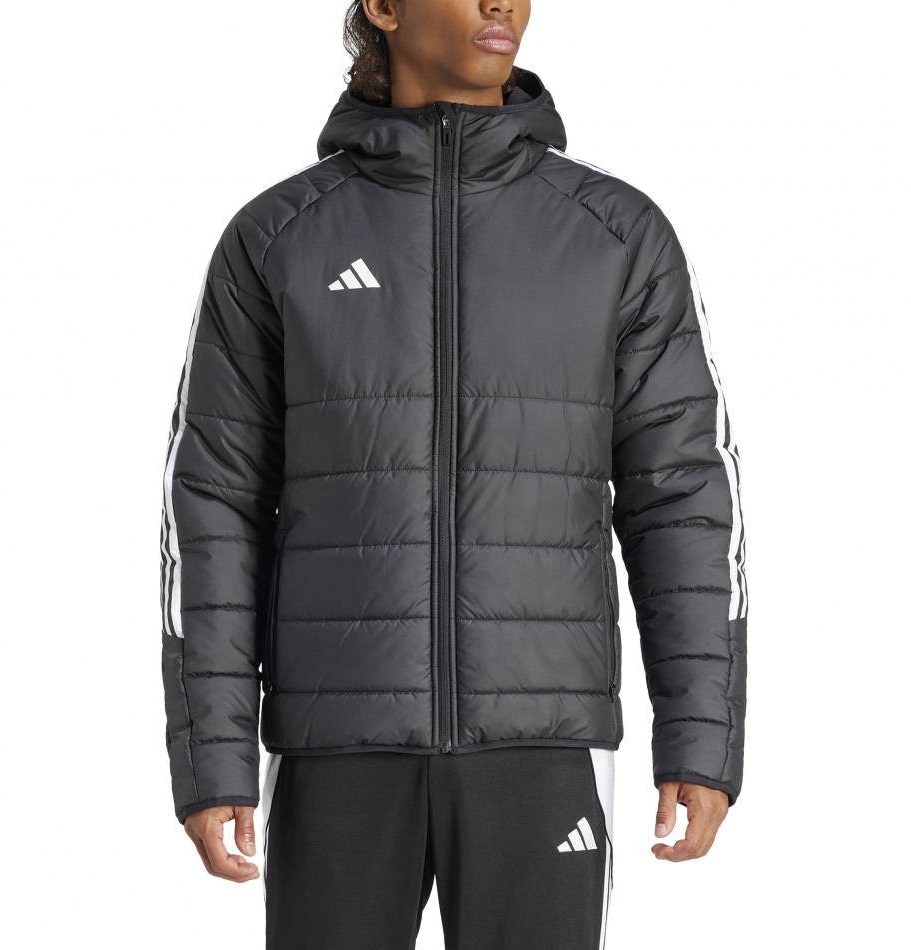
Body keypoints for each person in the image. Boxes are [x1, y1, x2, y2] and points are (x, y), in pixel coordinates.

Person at [159, 1, 748, 947]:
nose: (502, 3)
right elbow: (215, 505)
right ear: (384, 8)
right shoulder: (280, 237)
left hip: (543, 746)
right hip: (337, 747)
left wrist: (700, 733)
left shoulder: (614, 235)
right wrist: (214, 753)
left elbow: (682, 496)